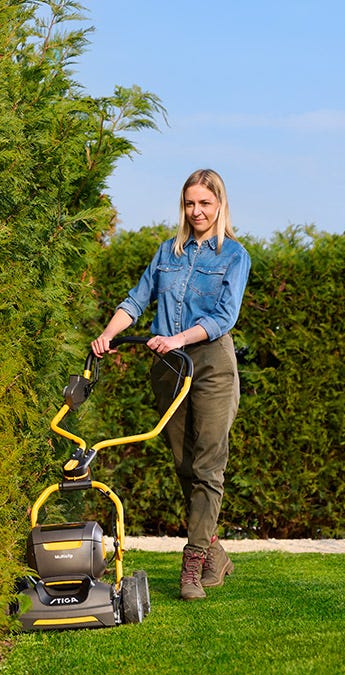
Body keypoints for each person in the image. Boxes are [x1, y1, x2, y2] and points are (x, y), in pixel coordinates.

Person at [91, 169, 251, 601]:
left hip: (211, 362)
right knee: (184, 464)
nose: (196, 211)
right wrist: (108, 334)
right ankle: (215, 550)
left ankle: (193, 563)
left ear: (220, 205)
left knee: (208, 463)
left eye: (205, 203)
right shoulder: (167, 252)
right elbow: (136, 300)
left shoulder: (234, 255)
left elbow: (223, 317)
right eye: (189, 204)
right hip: (168, 367)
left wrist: (179, 337)